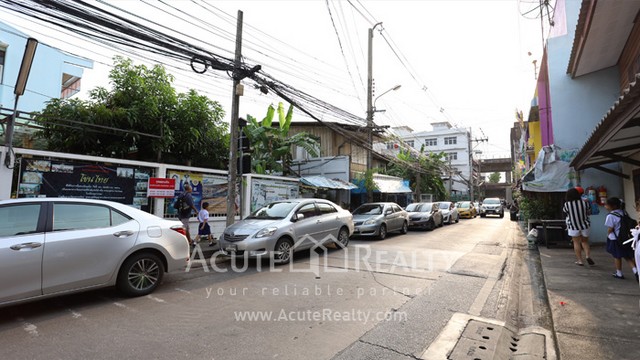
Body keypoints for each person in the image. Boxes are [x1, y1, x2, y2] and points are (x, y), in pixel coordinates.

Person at [604, 197, 638, 280]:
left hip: (615, 239)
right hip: (625, 238)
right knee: (627, 256)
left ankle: (619, 273)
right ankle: (636, 270)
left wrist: (607, 234)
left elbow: (610, 228)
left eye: (606, 205)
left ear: (612, 206)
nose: (605, 206)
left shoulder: (610, 216)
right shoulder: (624, 212)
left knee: (617, 256)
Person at [563, 187, 594, 266]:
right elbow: (589, 212)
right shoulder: (585, 202)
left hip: (573, 226)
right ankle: (587, 256)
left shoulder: (567, 204)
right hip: (585, 225)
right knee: (585, 241)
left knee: (576, 243)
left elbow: (565, 213)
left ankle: (580, 260)